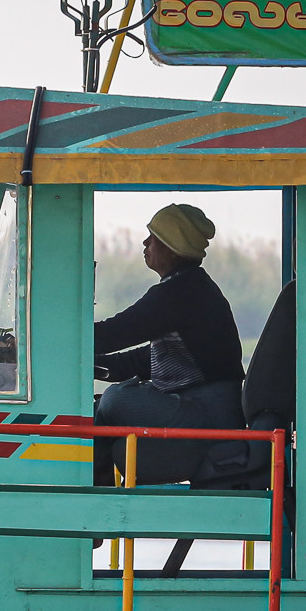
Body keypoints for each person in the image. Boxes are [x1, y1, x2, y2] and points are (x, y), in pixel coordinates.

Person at [92, 203, 244, 486]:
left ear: (173, 248)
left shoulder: (182, 292)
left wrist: (58, 340)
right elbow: (141, 361)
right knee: (100, 407)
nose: (145, 243)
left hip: (207, 417)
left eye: (153, 237)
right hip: (197, 411)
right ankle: (98, 497)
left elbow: (116, 333)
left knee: (114, 400)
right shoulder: (190, 288)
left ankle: (96, 503)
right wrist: (85, 362)